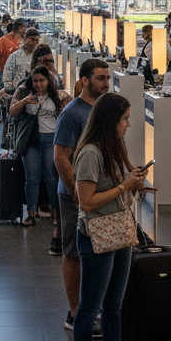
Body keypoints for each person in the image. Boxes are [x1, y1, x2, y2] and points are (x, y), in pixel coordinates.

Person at [71, 92, 148, 341]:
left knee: (114, 305)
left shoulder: (114, 147)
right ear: (111, 120)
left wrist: (134, 182)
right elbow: (86, 202)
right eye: (125, 119)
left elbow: (122, 186)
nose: (128, 125)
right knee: (89, 309)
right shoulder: (90, 153)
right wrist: (124, 186)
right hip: (96, 236)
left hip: (119, 232)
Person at [53, 58, 111, 301]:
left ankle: (93, 306)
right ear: (85, 81)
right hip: (73, 196)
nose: (106, 83)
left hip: (99, 194)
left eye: (107, 78)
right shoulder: (71, 114)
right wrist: (75, 193)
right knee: (74, 253)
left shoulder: (103, 109)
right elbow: (60, 156)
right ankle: (75, 311)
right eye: (100, 78)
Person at [10, 66, 63, 228]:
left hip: (50, 139)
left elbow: (64, 114)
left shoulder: (57, 96)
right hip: (31, 139)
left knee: (51, 177)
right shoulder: (24, 92)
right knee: (32, 178)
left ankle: (55, 211)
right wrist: (25, 100)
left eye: (42, 80)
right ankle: (31, 213)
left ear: (49, 81)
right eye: (35, 81)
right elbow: (12, 111)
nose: (39, 84)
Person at [1, 28, 41, 94]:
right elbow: (6, 82)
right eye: (32, 39)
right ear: (25, 39)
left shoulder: (40, 58)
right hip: (17, 95)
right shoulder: (14, 57)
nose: (34, 42)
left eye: (36, 40)